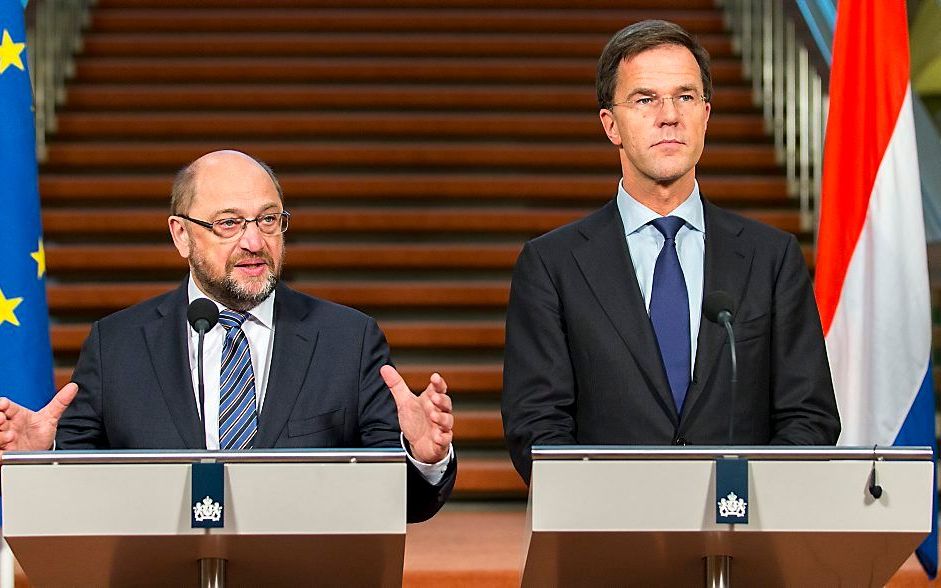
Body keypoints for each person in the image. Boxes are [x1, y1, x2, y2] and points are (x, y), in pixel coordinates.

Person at [0, 150, 456, 522]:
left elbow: (401, 502)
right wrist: (38, 460)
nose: (254, 242)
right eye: (229, 223)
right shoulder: (117, 344)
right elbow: (77, 489)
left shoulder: (348, 339)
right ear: (181, 235)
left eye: (269, 220)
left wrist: (422, 457)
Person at [501, 20, 840, 484]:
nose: (669, 115)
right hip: (610, 539)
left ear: (705, 115)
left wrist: (739, 500)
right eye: (645, 99)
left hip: (740, 538)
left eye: (685, 97)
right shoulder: (552, 265)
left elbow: (810, 416)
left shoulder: (772, 258)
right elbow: (537, 426)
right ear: (611, 125)